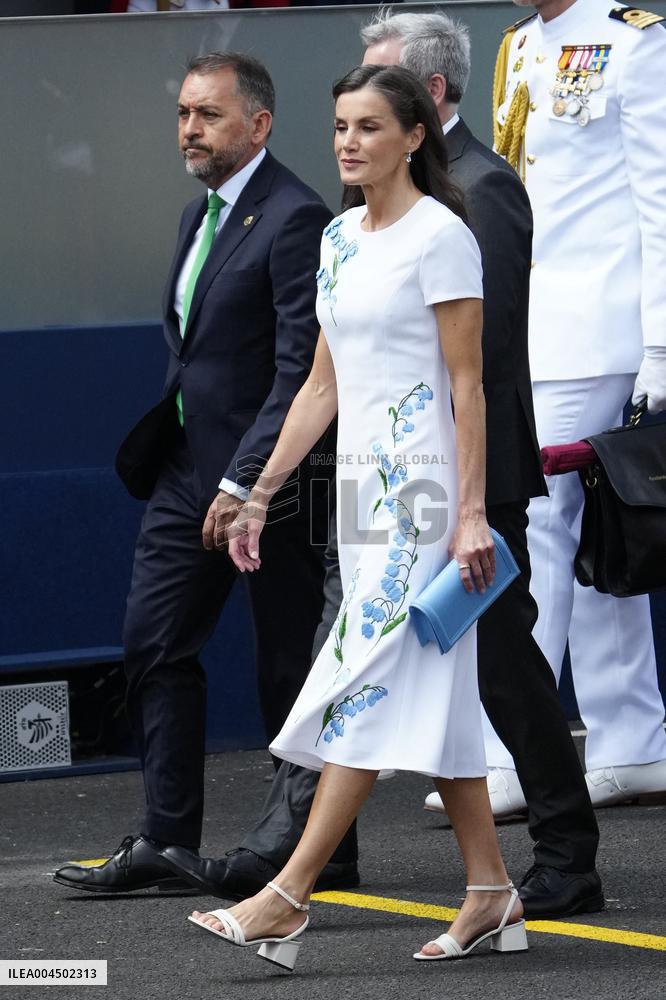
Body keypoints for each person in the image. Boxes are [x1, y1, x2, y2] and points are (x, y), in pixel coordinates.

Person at [162, 9, 602, 920]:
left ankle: (286, 889)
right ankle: (490, 888)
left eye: (370, 119)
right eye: (341, 124)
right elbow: (320, 383)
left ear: (418, 119)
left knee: (386, 672)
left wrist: (473, 507)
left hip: (440, 485)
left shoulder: (461, 216)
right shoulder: (336, 237)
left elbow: (476, 375)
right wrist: (259, 491)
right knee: (442, 681)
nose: (350, 139)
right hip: (363, 486)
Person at [53, 52, 335, 895]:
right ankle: (166, 840)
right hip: (185, 473)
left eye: (208, 115)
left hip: (272, 482)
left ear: (259, 124)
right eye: (183, 112)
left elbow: (298, 370)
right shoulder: (196, 215)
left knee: (290, 663)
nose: (189, 128)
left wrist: (249, 478)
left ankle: (312, 848)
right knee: (153, 641)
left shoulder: (296, 218)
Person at [490, 0, 666, 812]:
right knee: (599, 541)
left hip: (599, 324)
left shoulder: (634, 42)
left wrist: (660, 343)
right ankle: (631, 741)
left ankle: (513, 755)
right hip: (534, 322)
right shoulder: (520, 45)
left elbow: (660, 201)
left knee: (543, 533)